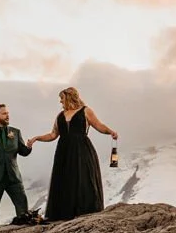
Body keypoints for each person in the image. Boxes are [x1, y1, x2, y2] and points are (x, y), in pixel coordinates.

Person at [29, 87, 117, 222]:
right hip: (63, 151)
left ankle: (85, 211)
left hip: (82, 149)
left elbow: (99, 126)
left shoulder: (86, 111)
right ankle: (64, 214)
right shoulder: (60, 115)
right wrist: (37, 138)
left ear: (69, 97)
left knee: (83, 178)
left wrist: (110, 132)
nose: (60, 102)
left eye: (62, 99)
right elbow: (53, 135)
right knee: (64, 178)